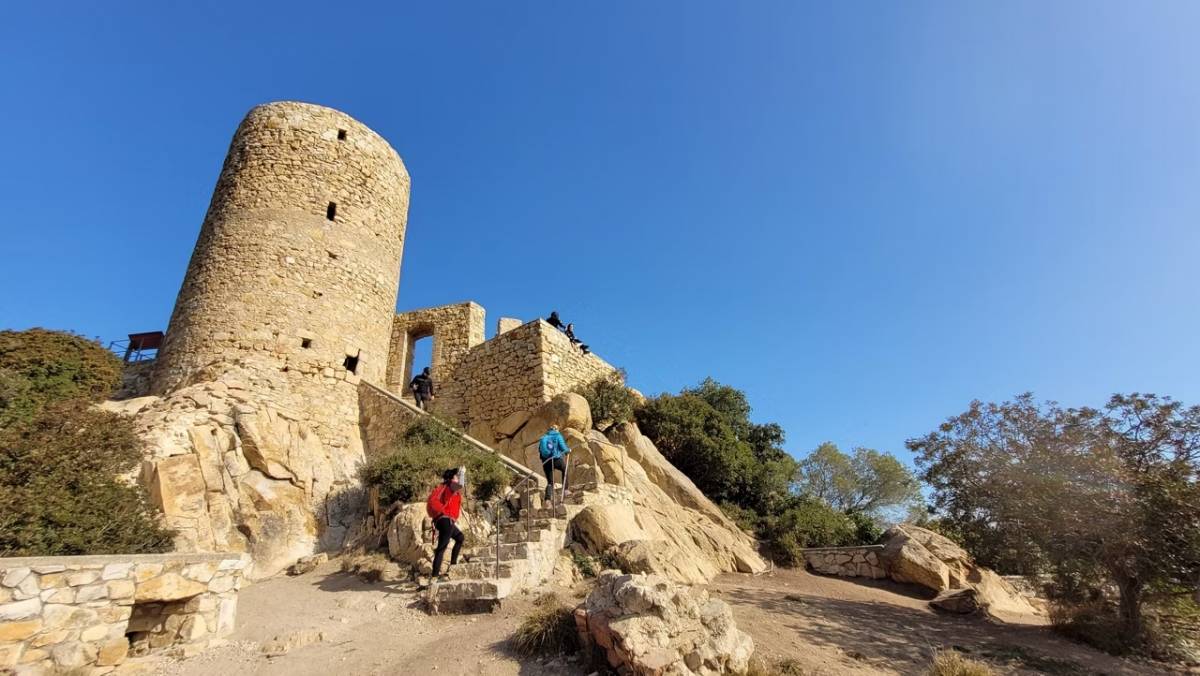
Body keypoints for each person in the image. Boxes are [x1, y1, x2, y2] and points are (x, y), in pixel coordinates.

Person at [426, 468, 464, 581]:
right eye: (456, 477)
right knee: (441, 547)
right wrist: (463, 473)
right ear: (451, 479)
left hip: (443, 520)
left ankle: (452, 566)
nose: (458, 479)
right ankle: (434, 576)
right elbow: (461, 485)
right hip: (446, 520)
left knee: (460, 538)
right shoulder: (450, 486)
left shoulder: (444, 487)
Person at [538, 425, 571, 502]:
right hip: (556, 459)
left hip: (546, 461)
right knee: (565, 469)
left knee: (550, 482)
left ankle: (548, 500)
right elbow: (563, 447)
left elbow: (540, 450)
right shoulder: (558, 436)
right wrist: (568, 450)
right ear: (557, 429)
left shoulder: (544, 437)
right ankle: (565, 490)